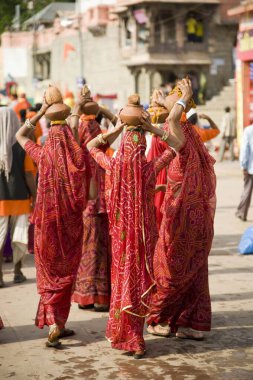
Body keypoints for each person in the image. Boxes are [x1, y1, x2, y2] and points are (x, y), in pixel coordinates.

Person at [87, 100, 180, 358]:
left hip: (120, 234)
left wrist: (117, 129)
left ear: (123, 147)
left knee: (122, 279)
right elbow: (176, 145)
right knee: (139, 278)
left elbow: (90, 146)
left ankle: (125, 334)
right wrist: (151, 128)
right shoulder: (149, 168)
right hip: (143, 233)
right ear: (141, 148)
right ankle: (137, 337)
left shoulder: (113, 165)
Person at [146, 78, 216, 340]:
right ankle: (157, 318)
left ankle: (189, 322)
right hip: (179, 211)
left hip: (195, 210)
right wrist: (183, 96)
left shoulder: (188, 130)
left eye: (174, 94)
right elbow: (173, 117)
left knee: (197, 268)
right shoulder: (171, 127)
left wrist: (182, 99)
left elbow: (177, 116)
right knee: (174, 266)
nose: (170, 95)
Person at [15, 95, 88, 348]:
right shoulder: (77, 156)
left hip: (46, 223)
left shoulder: (42, 153)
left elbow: (20, 136)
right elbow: (76, 131)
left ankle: (57, 324)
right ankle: (59, 323)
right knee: (65, 271)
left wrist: (40, 111)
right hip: (69, 224)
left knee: (49, 272)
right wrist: (75, 110)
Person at [73, 109, 114, 312]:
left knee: (86, 249)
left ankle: (85, 297)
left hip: (85, 207)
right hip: (99, 206)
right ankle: (99, 298)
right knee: (99, 250)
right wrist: (105, 112)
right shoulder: (100, 149)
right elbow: (116, 129)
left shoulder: (77, 152)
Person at [0, 108, 37, 287]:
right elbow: (29, 175)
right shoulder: (21, 144)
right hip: (20, 198)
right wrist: (36, 196)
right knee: (19, 236)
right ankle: (17, 272)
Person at [236, 124, 253, 221]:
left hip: (251, 168)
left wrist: (243, 165)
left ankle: (242, 213)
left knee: (247, 191)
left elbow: (245, 149)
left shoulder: (249, 130)